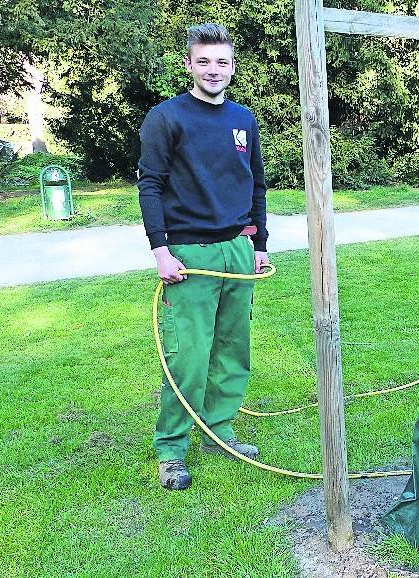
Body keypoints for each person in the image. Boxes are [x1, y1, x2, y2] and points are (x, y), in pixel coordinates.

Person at [138, 22, 269, 491]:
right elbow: (150, 184)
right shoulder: (166, 118)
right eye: (204, 61)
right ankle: (172, 449)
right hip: (189, 254)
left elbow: (256, 184)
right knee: (189, 357)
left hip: (237, 249)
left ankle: (219, 430)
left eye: (222, 62)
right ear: (189, 64)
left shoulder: (243, 120)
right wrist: (160, 250)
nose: (214, 70)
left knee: (232, 349)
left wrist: (258, 244)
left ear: (233, 68)